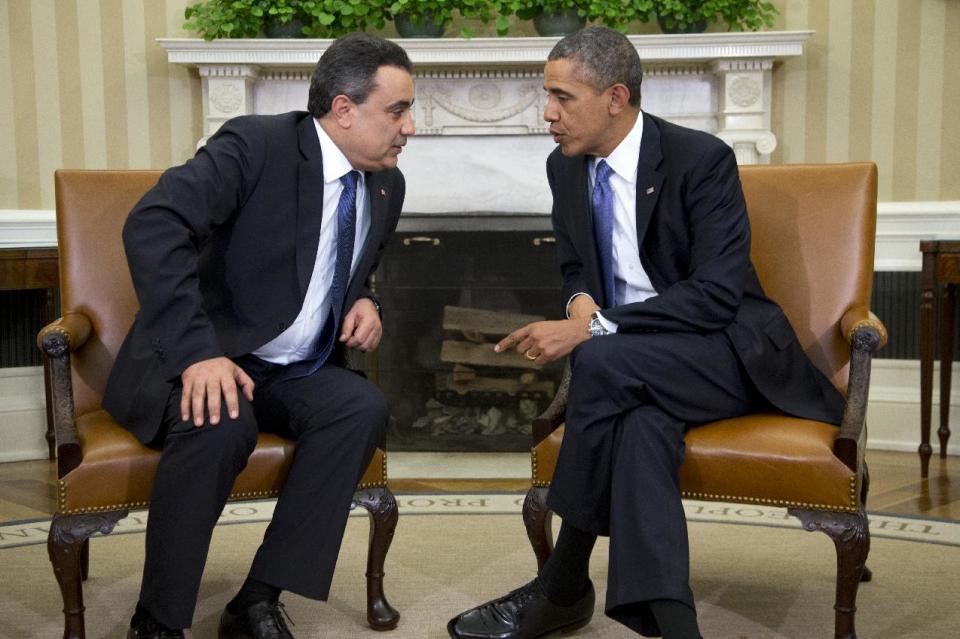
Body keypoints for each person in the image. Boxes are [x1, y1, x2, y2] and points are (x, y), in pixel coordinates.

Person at [447, 27, 844, 639]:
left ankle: (562, 585)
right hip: (636, 365)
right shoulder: (566, 167)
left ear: (615, 96)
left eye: (561, 97)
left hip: (725, 353)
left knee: (603, 366)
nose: (546, 113)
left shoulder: (700, 159)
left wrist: (594, 329)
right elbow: (575, 268)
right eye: (544, 95)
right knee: (638, 429)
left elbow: (715, 295)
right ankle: (672, 621)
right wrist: (581, 307)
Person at [103, 33, 415, 639]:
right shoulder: (256, 145)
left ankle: (256, 600)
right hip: (203, 357)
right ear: (345, 109)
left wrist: (365, 298)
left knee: (359, 406)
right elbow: (153, 224)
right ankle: (159, 621)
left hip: (289, 369)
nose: (409, 128)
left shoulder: (385, 184)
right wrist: (199, 355)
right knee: (222, 420)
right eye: (397, 111)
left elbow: (343, 261)